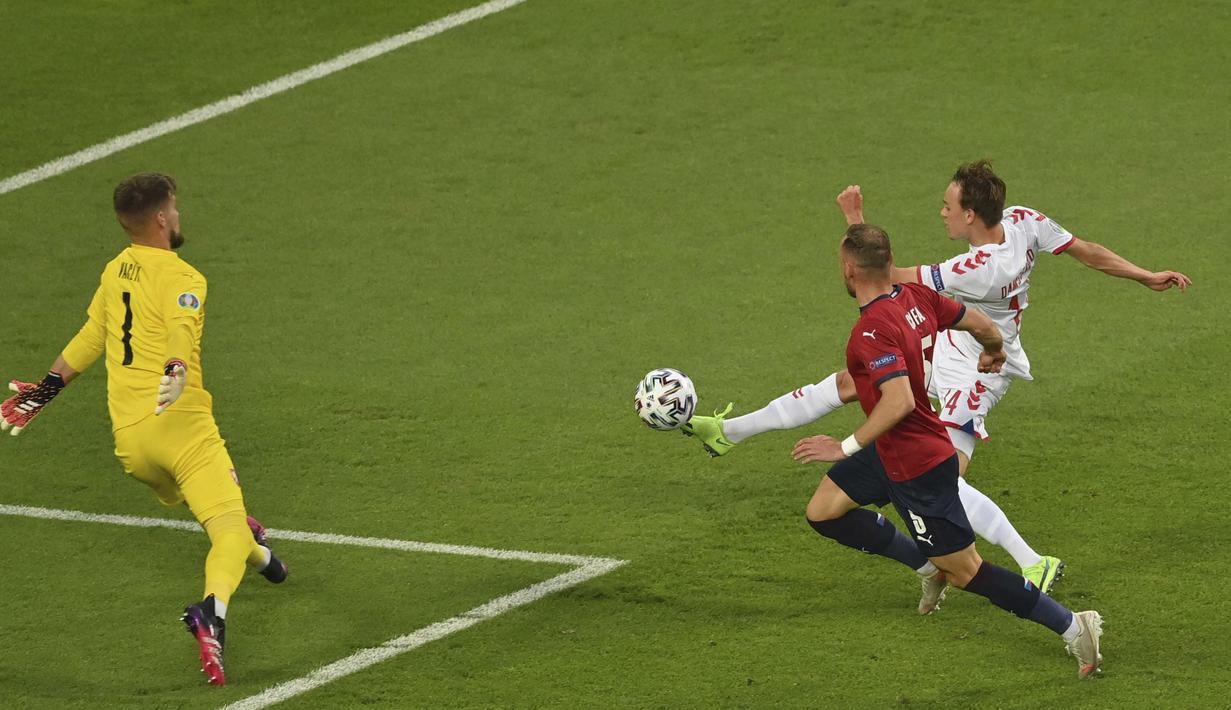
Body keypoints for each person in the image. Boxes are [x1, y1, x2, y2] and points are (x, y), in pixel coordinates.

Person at [685, 161, 1191, 592]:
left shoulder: (978, 268)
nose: (943, 211)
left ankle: (1033, 561)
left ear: (971, 215)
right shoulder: (1023, 220)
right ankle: (729, 432)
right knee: (852, 382)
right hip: (951, 343)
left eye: (949, 206)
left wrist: (857, 224)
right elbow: (1084, 249)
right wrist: (1145, 274)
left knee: (940, 478)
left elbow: (886, 275)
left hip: (979, 370)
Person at [1, 172, 289, 686]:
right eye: (175, 208)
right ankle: (213, 615)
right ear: (161, 218)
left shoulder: (116, 270)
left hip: (131, 446)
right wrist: (175, 368)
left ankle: (264, 557)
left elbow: (94, 333)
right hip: (180, 425)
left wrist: (45, 390)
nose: (178, 216)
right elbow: (181, 327)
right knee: (224, 525)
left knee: (226, 520)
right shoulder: (184, 278)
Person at [792, 223, 1102, 677]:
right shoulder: (914, 297)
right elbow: (978, 321)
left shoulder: (870, 332)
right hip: (894, 449)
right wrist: (994, 348)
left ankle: (1074, 626)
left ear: (847, 269)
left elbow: (896, 402)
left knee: (968, 572)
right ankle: (924, 566)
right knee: (823, 511)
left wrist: (842, 446)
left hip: (915, 466)